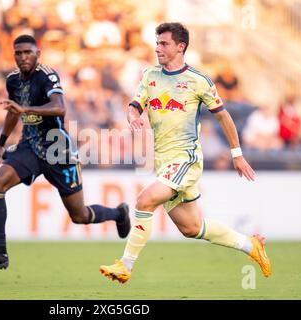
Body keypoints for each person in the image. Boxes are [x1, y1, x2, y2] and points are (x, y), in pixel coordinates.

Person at [99, 23, 271, 284]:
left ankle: (125, 265)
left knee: (144, 201)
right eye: (157, 43)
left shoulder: (198, 81)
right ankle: (251, 246)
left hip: (186, 159)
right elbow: (134, 106)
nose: (158, 48)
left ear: (181, 46)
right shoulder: (149, 76)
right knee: (191, 228)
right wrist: (133, 116)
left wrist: (237, 154)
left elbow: (223, 116)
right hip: (164, 162)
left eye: (164, 43)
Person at [0, 35, 131, 269]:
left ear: (38, 53)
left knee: (79, 216)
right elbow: (13, 112)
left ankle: (119, 214)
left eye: (28, 52)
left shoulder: (47, 75)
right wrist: (1, 143)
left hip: (58, 151)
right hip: (30, 147)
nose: (23, 57)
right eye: (18, 53)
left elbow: (59, 108)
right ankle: (0, 253)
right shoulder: (13, 81)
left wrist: (25, 108)